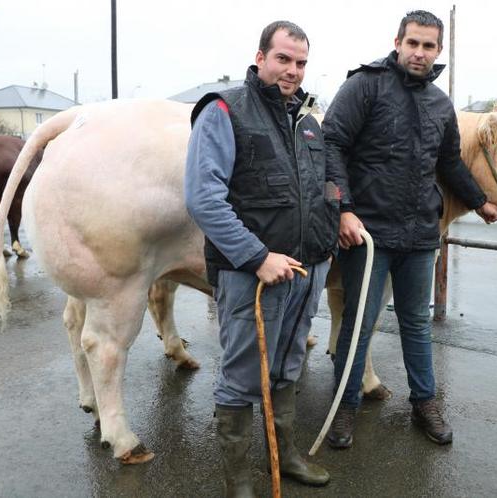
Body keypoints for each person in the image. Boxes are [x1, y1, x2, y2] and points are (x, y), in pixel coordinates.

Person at [321, 10, 497, 449]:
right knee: (359, 325)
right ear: (398, 42)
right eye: (413, 43)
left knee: (417, 324)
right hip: (369, 235)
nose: (420, 52)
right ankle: (344, 404)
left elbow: (450, 163)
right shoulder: (364, 85)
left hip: (421, 234)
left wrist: (480, 202)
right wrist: (342, 208)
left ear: (439, 51)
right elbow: (331, 143)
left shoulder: (440, 104)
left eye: (429, 46)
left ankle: (424, 403)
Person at [184, 20, 338, 496]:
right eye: (283, 59)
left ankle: (284, 454)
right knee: (242, 374)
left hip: (306, 272)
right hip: (253, 275)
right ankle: (239, 480)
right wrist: (255, 257)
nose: (292, 70)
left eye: (301, 62)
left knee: (288, 366)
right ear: (261, 57)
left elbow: (325, 185)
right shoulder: (225, 110)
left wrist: (340, 220)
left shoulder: (309, 120)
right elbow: (203, 199)